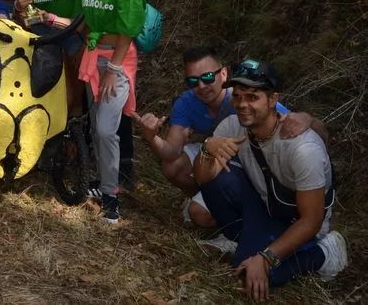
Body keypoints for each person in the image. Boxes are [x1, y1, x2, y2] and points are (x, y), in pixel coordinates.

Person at [193, 60, 347, 302]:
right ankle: (241, 239)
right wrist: (207, 148)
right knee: (218, 177)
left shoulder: (302, 148)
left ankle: (324, 253)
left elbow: (311, 221)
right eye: (239, 96)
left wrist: (266, 258)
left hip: (297, 221)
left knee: (256, 275)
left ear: (273, 99)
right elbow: (202, 178)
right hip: (264, 206)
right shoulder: (233, 124)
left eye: (253, 97)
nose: (243, 105)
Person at [131, 47, 322, 229]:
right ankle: (205, 199)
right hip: (215, 151)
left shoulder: (244, 100)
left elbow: (297, 123)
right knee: (173, 167)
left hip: (247, 158)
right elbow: (172, 152)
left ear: (223, 74)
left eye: (207, 77)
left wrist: (307, 118)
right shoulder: (187, 103)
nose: (201, 86)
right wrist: (152, 137)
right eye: (193, 81)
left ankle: (234, 215)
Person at [74, 0, 145, 224]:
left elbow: (128, 28)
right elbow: (89, 21)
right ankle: (103, 186)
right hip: (93, 56)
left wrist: (113, 69)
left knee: (105, 129)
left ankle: (112, 197)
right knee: (96, 126)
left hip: (116, 61)